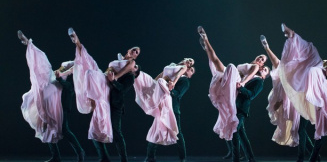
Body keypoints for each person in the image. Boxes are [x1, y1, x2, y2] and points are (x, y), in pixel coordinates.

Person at [198, 26, 269, 162]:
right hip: (234, 91)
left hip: (240, 106)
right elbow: (247, 75)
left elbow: (250, 94)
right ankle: (206, 42)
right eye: (260, 58)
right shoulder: (251, 66)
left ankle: (237, 159)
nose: (260, 61)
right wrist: (241, 84)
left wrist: (242, 85)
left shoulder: (258, 79)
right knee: (216, 62)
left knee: (236, 132)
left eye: (263, 63)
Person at [68, 28, 140, 162]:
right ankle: (78, 43)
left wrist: (115, 79)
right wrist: (110, 76)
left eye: (137, 52)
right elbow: (111, 69)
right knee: (90, 68)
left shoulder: (130, 73)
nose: (135, 51)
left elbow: (122, 89)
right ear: (129, 50)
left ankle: (124, 159)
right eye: (134, 49)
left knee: (116, 132)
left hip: (114, 103)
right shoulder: (118, 61)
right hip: (104, 90)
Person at [271, 23, 327, 162]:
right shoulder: (317, 64)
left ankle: (319, 158)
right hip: (307, 100)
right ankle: (303, 159)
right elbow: (319, 64)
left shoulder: (322, 70)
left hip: (320, 101)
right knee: (302, 130)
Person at [18, 31, 85, 162]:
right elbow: (56, 74)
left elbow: (69, 87)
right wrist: (59, 74)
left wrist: (61, 77)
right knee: (46, 126)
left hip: (62, 106)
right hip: (50, 101)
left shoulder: (72, 78)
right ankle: (56, 156)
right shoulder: (60, 72)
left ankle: (80, 152)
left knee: (64, 130)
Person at [261, 35, 314, 162]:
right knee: (300, 131)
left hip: (302, 103)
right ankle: (313, 154)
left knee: (299, 130)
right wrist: (266, 48)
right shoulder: (284, 70)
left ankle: (305, 157)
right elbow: (276, 62)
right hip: (291, 102)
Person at [143, 60, 195, 162]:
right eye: (189, 66)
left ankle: (182, 158)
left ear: (190, 75)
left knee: (177, 133)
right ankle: (150, 157)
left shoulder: (185, 81)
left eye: (192, 70)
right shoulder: (172, 74)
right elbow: (160, 78)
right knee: (156, 130)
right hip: (162, 108)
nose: (189, 68)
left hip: (173, 109)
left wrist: (169, 88)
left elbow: (177, 94)